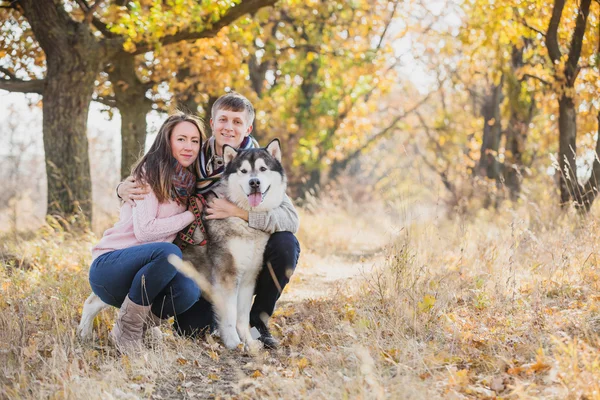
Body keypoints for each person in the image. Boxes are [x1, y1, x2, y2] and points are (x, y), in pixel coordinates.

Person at [118, 92, 301, 349]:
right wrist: (122, 189)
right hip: (202, 256)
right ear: (212, 123)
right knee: (191, 331)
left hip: (247, 254)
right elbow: (151, 182)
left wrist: (239, 212)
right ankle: (147, 319)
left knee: (286, 243)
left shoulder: (261, 163)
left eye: (237, 122)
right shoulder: (192, 154)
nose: (229, 127)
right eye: (223, 120)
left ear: (248, 128)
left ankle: (256, 322)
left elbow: (291, 218)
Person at [89, 112, 205, 353]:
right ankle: (127, 331)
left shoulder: (188, 185)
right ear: (167, 141)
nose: (189, 147)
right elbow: (145, 232)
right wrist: (191, 215)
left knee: (189, 290)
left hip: (147, 278)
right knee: (168, 251)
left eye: (195, 141)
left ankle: (135, 326)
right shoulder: (148, 174)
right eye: (181, 139)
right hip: (111, 268)